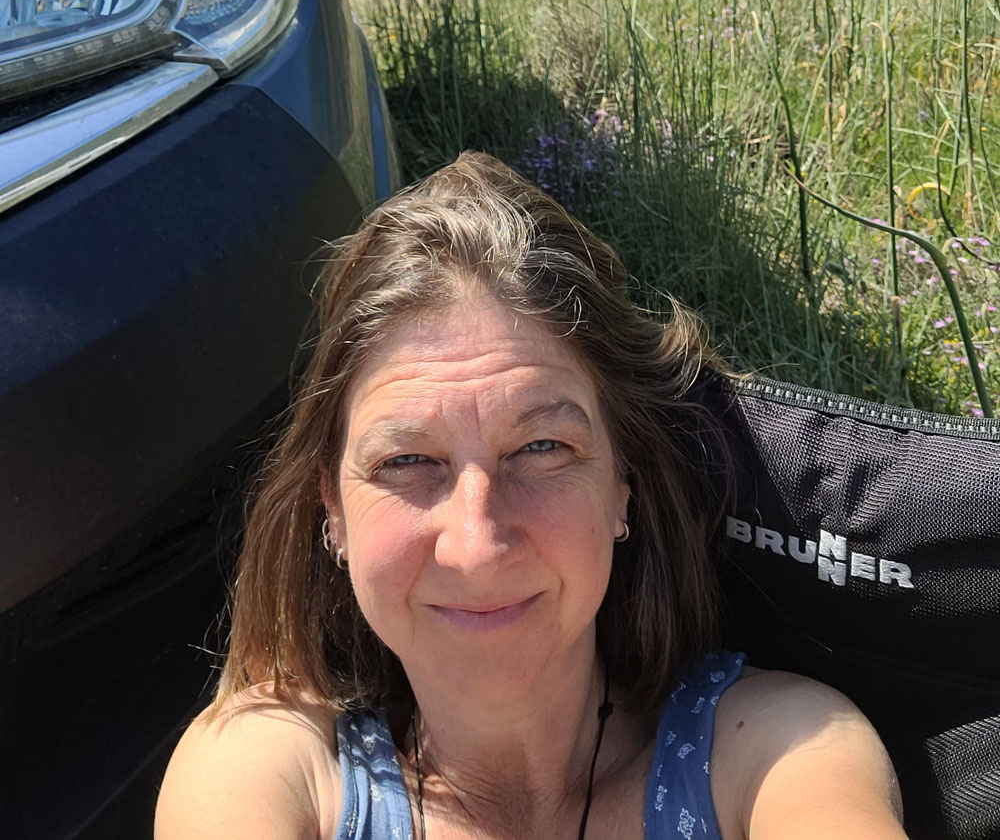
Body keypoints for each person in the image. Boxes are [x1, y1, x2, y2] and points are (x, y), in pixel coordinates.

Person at [155, 152, 907, 840]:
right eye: (408, 459)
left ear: (623, 486)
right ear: (333, 509)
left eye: (542, 447)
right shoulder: (269, 770)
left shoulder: (776, 752)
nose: (478, 542)